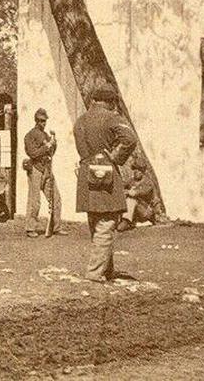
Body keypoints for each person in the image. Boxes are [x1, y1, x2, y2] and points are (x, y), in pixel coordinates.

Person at [73, 87, 137, 283]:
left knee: (96, 221)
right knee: (108, 222)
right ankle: (94, 272)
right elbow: (130, 139)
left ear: (93, 99)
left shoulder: (80, 120)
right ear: (111, 102)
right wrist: (116, 157)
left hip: (86, 173)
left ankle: (107, 269)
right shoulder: (112, 117)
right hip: (105, 173)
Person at [23, 108, 67, 238]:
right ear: (36, 120)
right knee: (34, 201)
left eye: (44, 121)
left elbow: (51, 153)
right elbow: (32, 153)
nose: (43, 123)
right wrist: (46, 147)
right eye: (41, 121)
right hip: (36, 169)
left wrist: (54, 143)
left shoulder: (46, 135)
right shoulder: (30, 135)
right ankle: (30, 228)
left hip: (47, 168)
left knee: (56, 198)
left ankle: (56, 227)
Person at [118, 157, 157, 232]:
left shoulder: (148, 182)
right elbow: (121, 187)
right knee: (123, 197)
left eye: (139, 170)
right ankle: (121, 220)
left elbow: (138, 192)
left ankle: (126, 221)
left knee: (131, 199)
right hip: (136, 212)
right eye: (135, 169)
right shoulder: (131, 180)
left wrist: (128, 192)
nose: (136, 171)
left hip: (145, 212)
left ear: (143, 171)